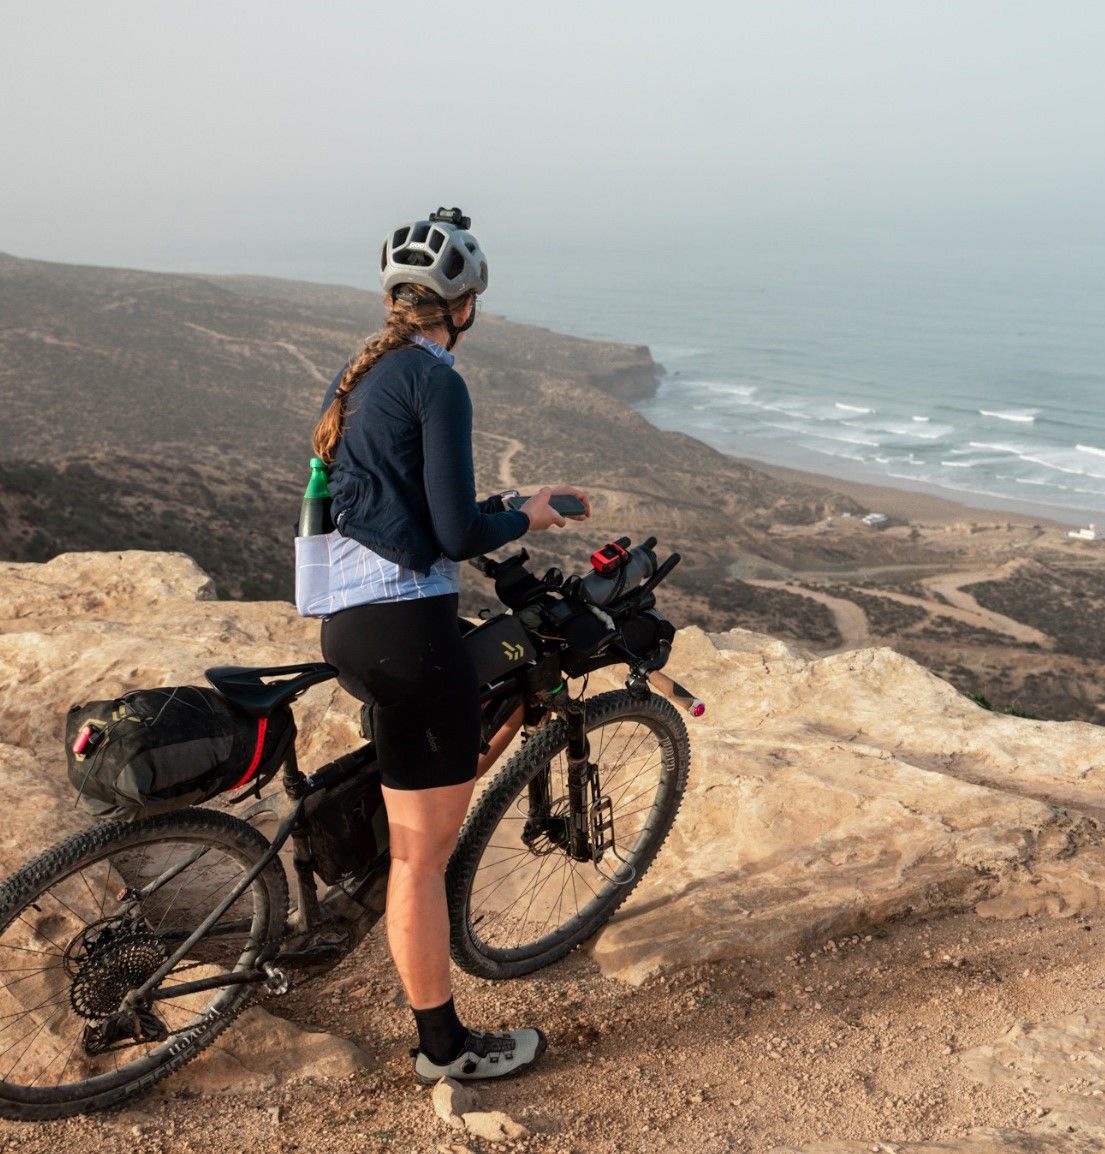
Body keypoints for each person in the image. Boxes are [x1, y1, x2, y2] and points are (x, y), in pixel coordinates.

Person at [310, 207, 590, 1084]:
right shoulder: (437, 379)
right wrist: (534, 511)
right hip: (405, 629)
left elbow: (405, 506)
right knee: (419, 859)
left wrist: (501, 505)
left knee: (407, 815)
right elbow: (457, 531)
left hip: (350, 625)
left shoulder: (363, 373)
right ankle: (444, 1049)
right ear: (462, 303)